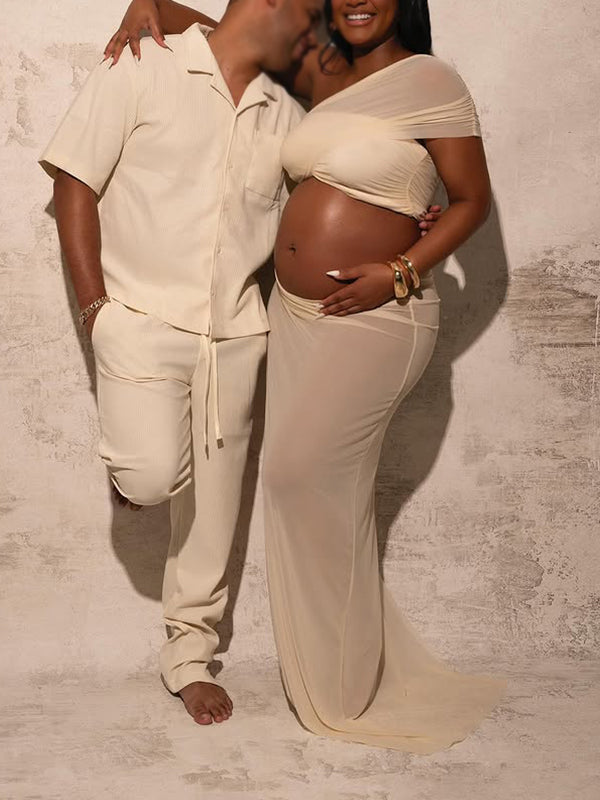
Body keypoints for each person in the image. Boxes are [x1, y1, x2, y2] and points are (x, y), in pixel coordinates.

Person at [107, 0, 504, 753]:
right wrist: (151, 4)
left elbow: (472, 199)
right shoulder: (322, 72)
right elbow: (234, 28)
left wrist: (399, 270)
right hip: (295, 317)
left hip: (379, 317)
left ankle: (343, 686)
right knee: (308, 489)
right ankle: (336, 672)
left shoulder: (432, 80)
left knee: (301, 477)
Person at [39, 0, 326, 728]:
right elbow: (74, 181)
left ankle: (189, 657)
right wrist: (96, 313)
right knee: (150, 474)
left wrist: (399, 218)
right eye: (306, 14)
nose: (313, 32)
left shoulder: (287, 118)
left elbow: (323, 209)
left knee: (214, 512)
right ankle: (142, 464)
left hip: (236, 334)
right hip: (138, 318)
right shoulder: (143, 64)